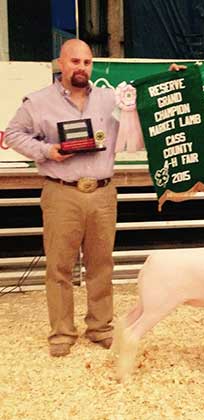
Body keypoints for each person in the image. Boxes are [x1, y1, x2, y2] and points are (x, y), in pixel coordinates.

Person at [5, 39, 119, 357]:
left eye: (87, 62)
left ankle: (100, 327)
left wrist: (172, 76)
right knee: (59, 267)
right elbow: (13, 133)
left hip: (102, 192)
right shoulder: (38, 102)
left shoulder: (111, 99)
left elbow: (146, 101)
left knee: (102, 264)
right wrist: (46, 151)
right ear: (61, 62)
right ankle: (62, 331)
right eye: (75, 62)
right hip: (61, 192)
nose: (81, 68)